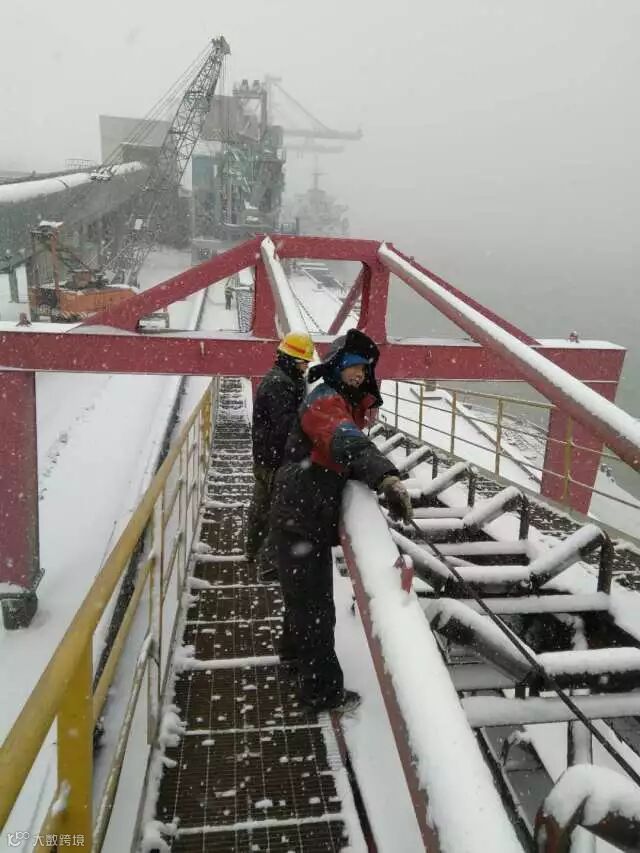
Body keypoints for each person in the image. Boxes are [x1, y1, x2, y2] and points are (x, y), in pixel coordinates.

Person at [265, 329, 413, 712]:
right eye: (352, 366)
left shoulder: (334, 398)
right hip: (302, 518)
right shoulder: (325, 401)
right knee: (316, 610)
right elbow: (344, 439)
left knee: (302, 599)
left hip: (299, 514)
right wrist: (385, 478)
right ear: (336, 368)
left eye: (364, 368)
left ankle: (292, 657)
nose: (359, 374)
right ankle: (321, 693)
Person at [245, 331, 315, 562]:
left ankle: (255, 551)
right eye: (304, 362)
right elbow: (286, 425)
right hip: (273, 459)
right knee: (270, 508)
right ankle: (262, 556)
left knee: (264, 506)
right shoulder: (279, 384)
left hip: (270, 456)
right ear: (292, 360)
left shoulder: (285, 379)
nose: (306, 367)